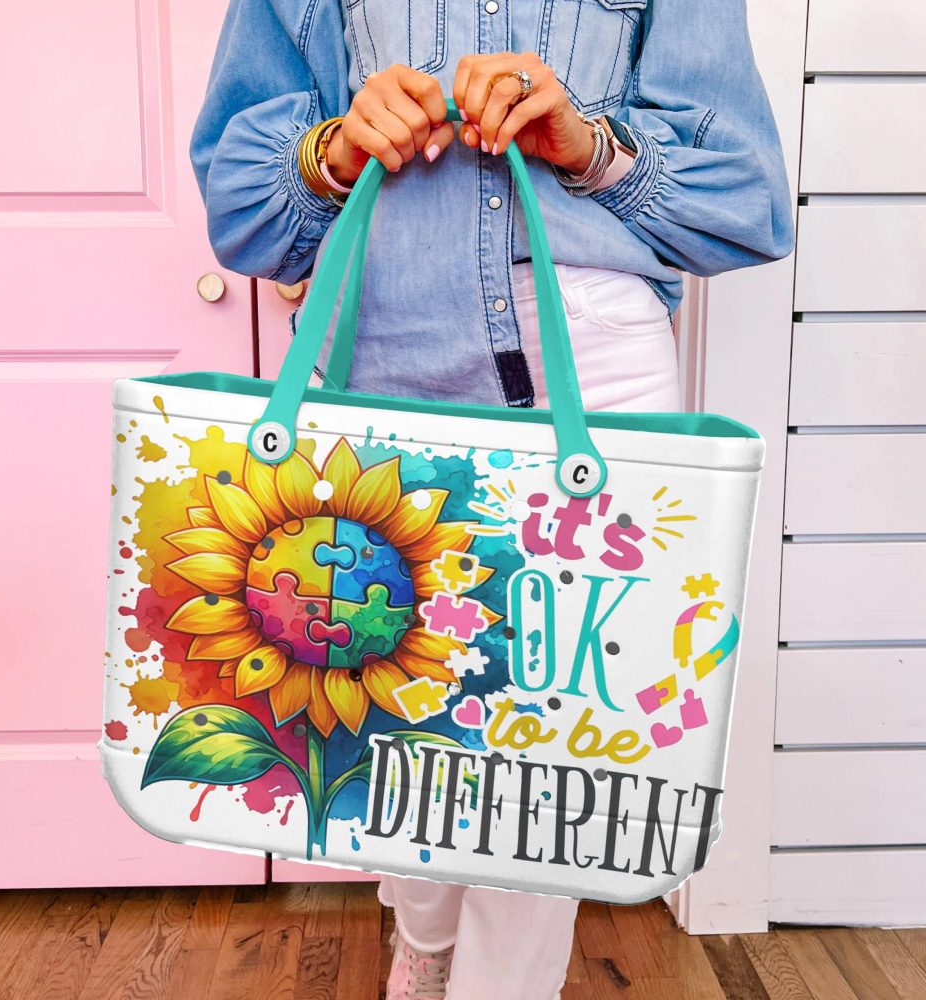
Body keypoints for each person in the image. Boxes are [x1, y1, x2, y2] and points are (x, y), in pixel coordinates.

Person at [191, 2, 794, 997]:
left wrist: (591, 146)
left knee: (551, 751)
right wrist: (333, 151)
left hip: (588, 368)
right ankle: (423, 935)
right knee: (392, 721)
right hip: (378, 349)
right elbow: (241, 208)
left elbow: (745, 198)